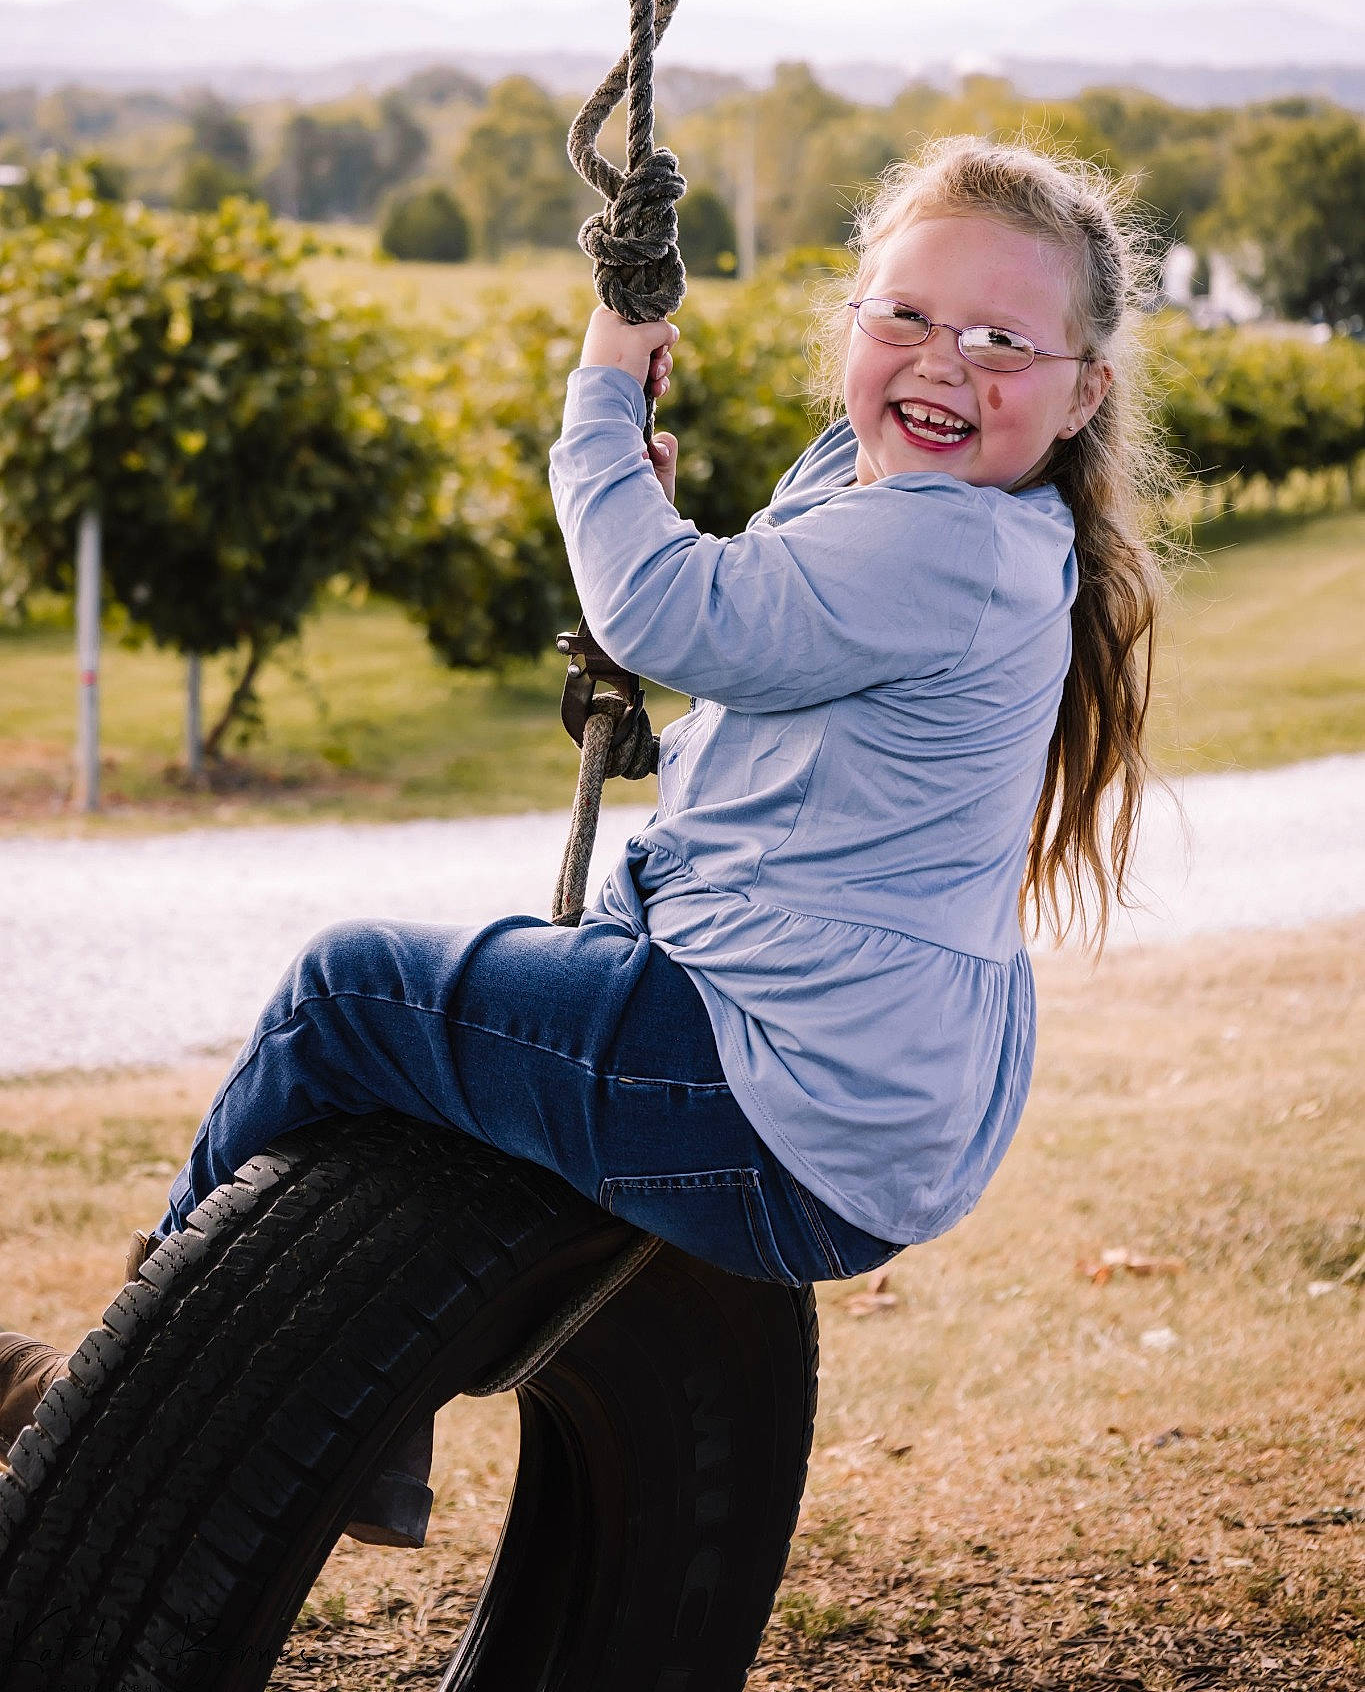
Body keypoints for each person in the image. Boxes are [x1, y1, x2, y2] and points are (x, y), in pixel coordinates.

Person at [1, 133, 1169, 1543]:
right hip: (840, 1109)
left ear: (1080, 393)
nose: (942, 361)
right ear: (851, 321)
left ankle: (129, 1398)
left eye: (1000, 339)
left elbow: (676, 614)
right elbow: (778, 743)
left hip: (772, 1101)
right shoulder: (923, 512)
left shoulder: (949, 543)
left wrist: (606, 377)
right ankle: (352, 1438)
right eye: (905, 316)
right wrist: (662, 601)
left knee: (349, 989)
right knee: (449, 1048)